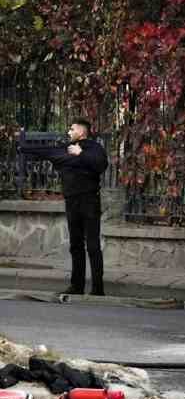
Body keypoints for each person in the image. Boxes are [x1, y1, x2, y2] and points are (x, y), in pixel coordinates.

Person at [18, 119, 109, 296]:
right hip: (72, 202)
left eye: (72, 129)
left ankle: (98, 289)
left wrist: (80, 154)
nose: (69, 131)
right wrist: (22, 148)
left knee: (92, 246)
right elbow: (47, 152)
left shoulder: (94, 148)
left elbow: (100, 165)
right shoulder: (66, 149)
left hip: (89, 201)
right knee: (75, 245)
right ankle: (77, 286)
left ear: (82, 132)